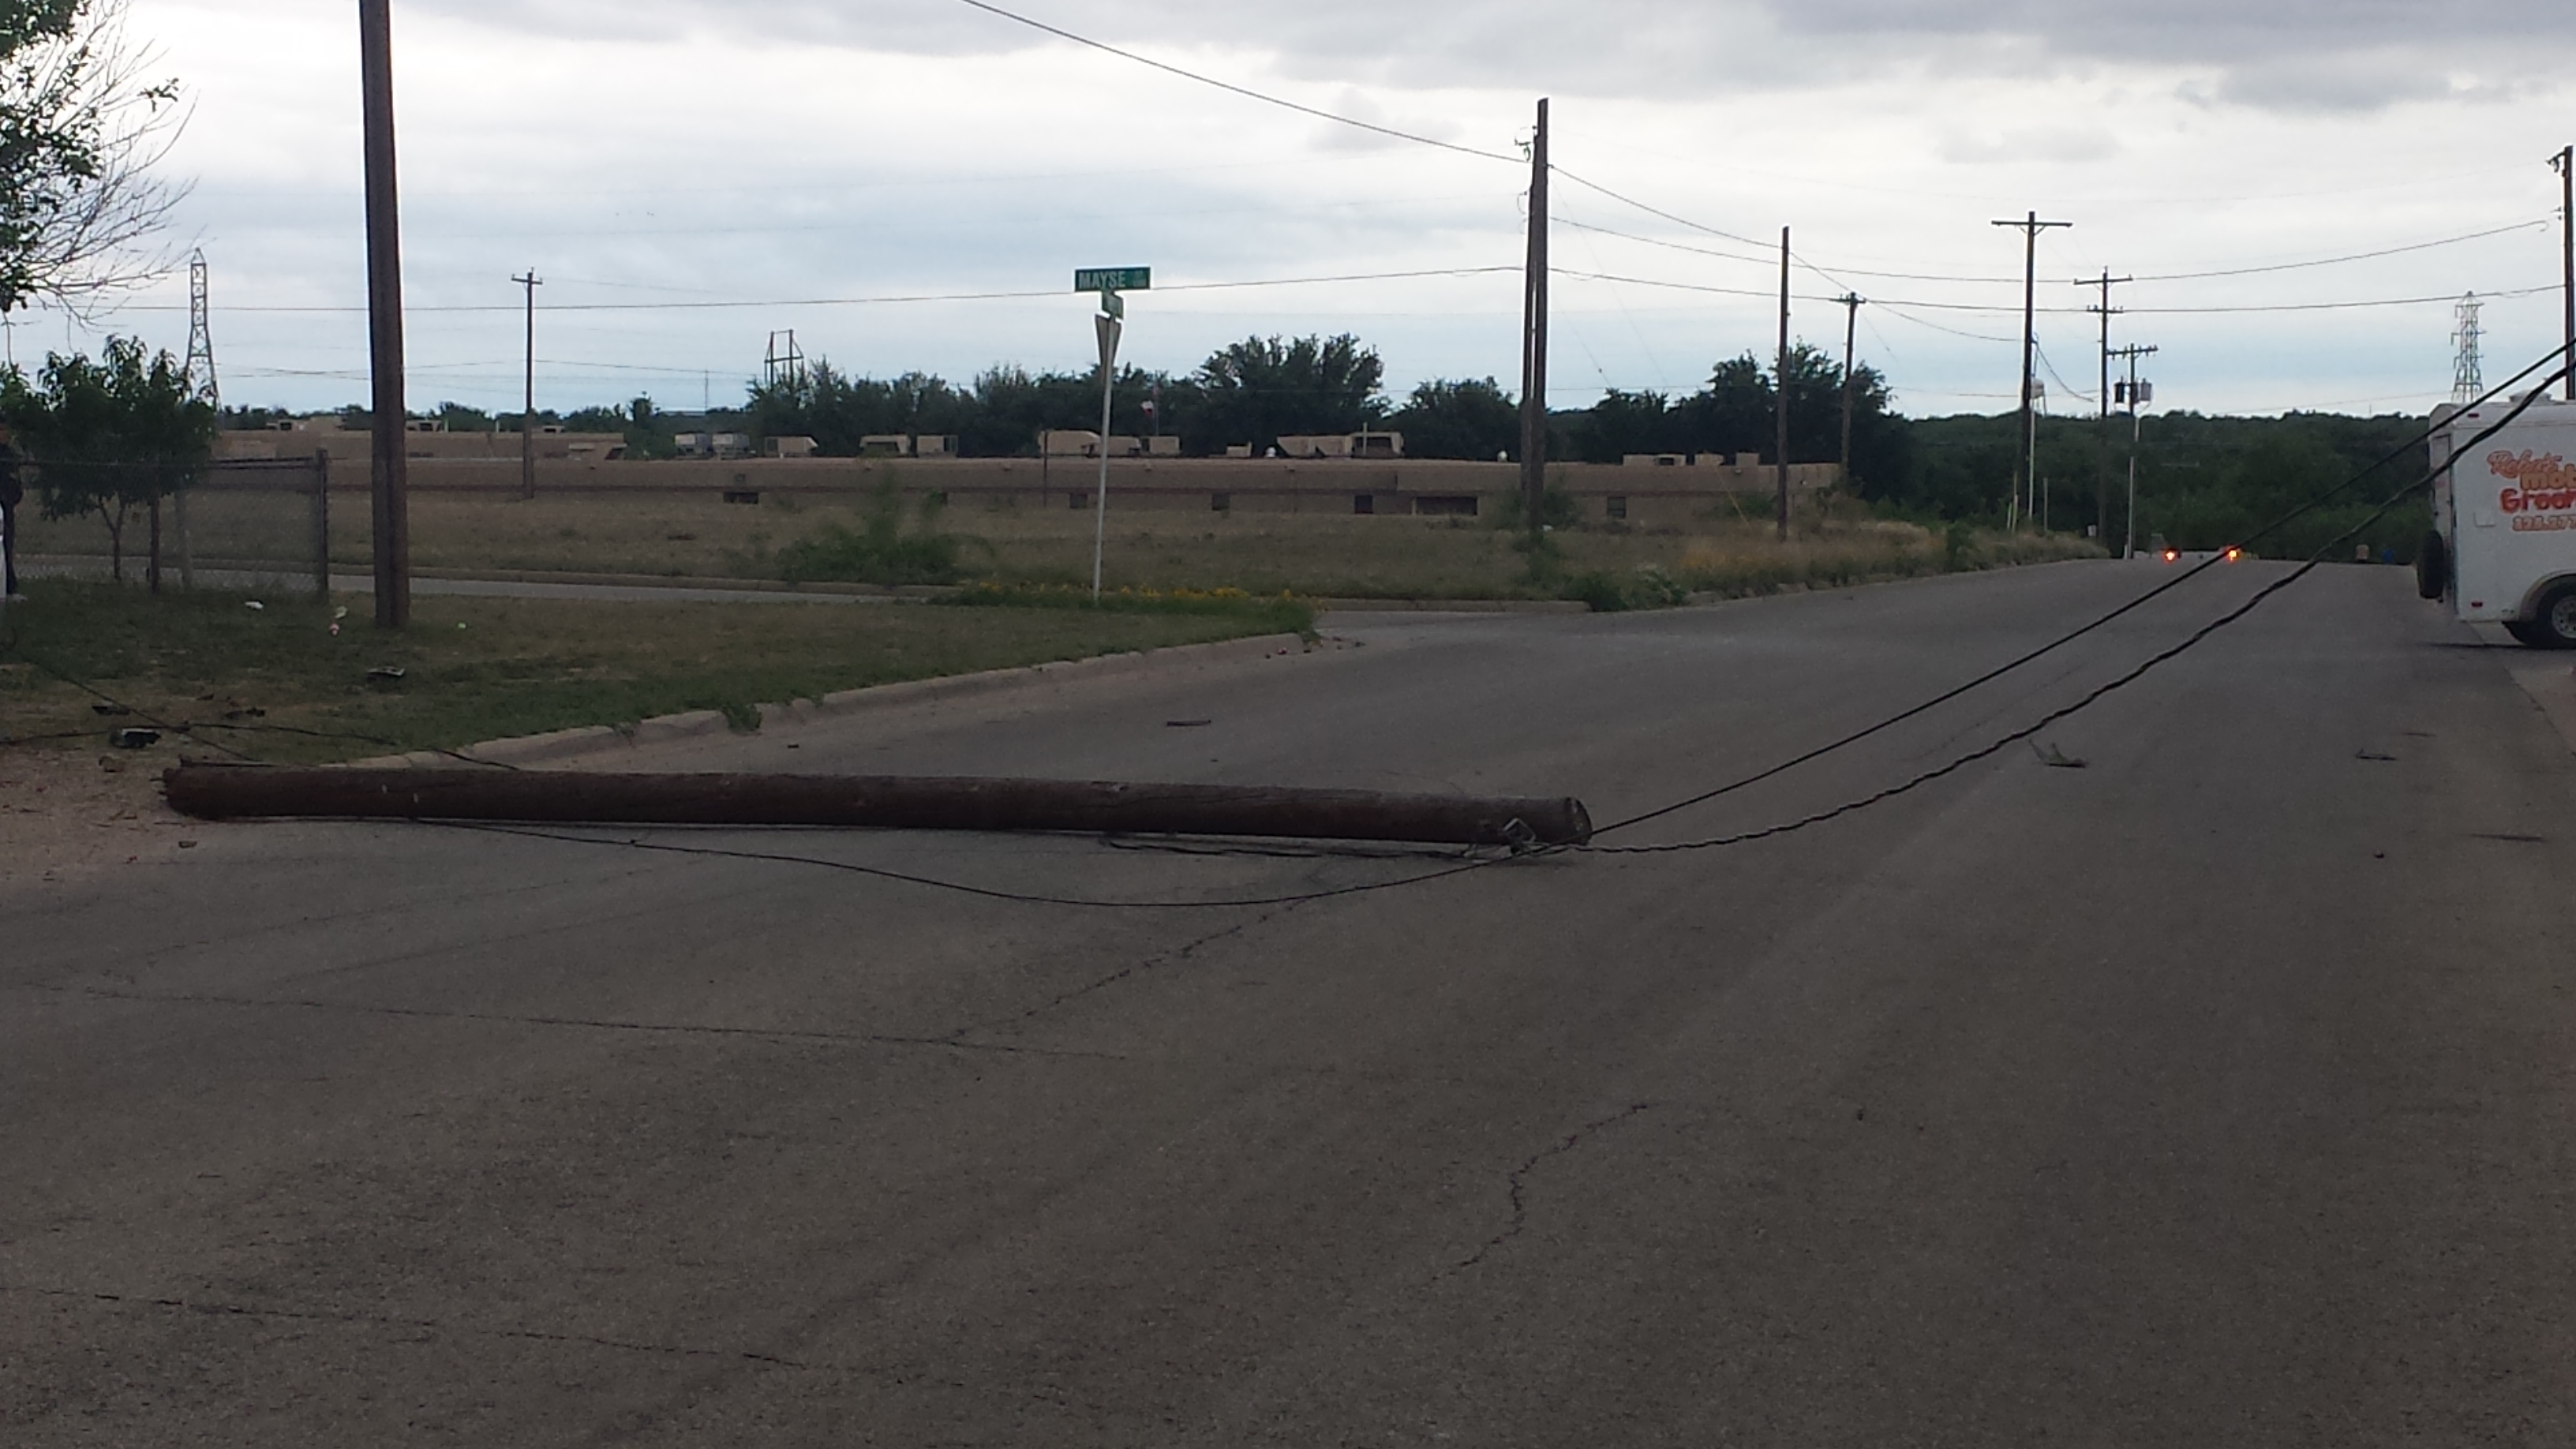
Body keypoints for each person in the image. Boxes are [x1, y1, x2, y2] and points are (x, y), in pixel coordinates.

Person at [0, 424, 21, 598]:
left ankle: (9, 586)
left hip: (5, 507)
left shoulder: (9, 455)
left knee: (6, 545)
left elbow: (15, 483)